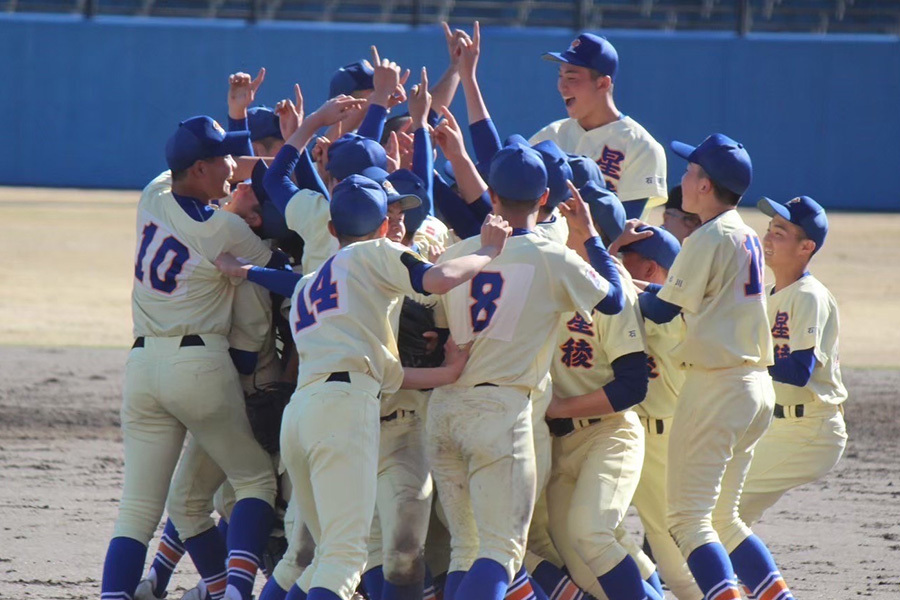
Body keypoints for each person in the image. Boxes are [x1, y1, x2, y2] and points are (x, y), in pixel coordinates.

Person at [217, 173, 514, 600]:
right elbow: (440, 278)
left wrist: (446, 374)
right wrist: (488, 249)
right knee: (344, 558)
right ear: (381, 228)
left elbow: (380, 371)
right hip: (343, 411)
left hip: (302, 415)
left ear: (332, 229)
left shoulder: (311, 284)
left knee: (320, 558)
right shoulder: (378, 251)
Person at [101, 115, 289, 600]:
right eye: (224, 160)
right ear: (200, 168)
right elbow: (282, 270)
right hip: (200, 365)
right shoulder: (224, 229)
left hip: (142, 366)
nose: (235, 168)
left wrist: (236, 120)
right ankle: (235, 593)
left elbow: (210, 166)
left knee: (137, 511)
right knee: (254, 481)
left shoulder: (152, 194)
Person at [427, 142, 626, 600]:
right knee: (500, 551)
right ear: (544, 199)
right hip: (501, 412)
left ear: (491, 194)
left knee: (465, 548)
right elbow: (613, 300)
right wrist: (592, 236)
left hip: (446, 407)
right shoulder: (552, 256)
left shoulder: (457, 252)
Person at [624, 133, 796, 600]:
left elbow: (661, 312)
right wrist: (641, 285)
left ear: (705, 185)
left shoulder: (707, 237)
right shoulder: (743, 234)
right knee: (725, 518)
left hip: (717, 388)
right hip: (754, 387)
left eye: (690, 170)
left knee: (687, 519)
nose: (683, 176)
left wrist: (617, 281)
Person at [739, 196, 848, 526]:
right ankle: (739, 579)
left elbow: (799, 371)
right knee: (732, 516)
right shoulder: (769, 292)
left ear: (806, 247)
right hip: (778, 425)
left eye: (781, 232)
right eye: (769, 229)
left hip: (810, 429)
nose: (768, 239)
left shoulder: (808, 295)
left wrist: (743, 361)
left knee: (720, 502)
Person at [530, 33, 667, 220]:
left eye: (571, 78)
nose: (562, 86)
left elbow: (622, 227)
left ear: (603, 83)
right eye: (560, 76)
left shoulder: (641, 147)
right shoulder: (551, 135)